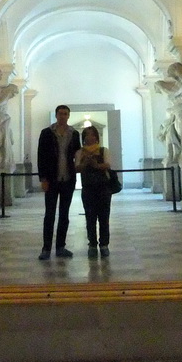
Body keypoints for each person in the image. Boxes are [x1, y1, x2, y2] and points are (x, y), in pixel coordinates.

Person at [36, 104, 81, 259]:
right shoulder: (47, 133)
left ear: (69, 116)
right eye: (60, 113)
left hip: (68, 178)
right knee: (49, 214)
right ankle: (46, 248)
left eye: (65, 114)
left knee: (64, 214)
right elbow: (41, 156)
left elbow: (78, 154)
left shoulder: (74, 134)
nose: (63, 116)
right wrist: (43, 178)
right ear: (56, 115)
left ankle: (61, 247)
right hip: (52, 178)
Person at [75, 124, 113, 258]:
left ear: (96, 137)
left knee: (104, 217)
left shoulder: (103, 150)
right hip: (88, 188)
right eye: (86, 135)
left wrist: (96, 165)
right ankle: (92, 244)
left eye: (92, 135)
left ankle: (104, 244)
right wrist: (85, 164)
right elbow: (76, 168)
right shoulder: (80, 152)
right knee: (90, 217)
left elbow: (108, 164)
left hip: (103, 187)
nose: (89, 137)